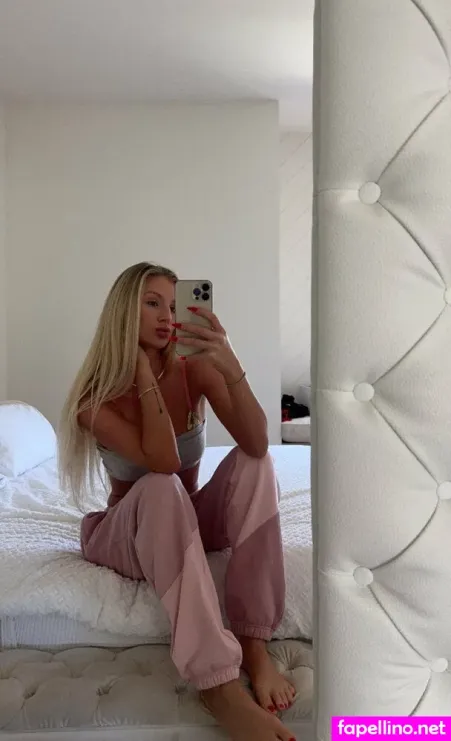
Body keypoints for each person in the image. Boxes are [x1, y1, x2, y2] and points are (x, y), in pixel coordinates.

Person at [59, 262, 296, 741]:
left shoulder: (195, 368)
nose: (167, 316)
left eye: (174, 305)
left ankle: (253, 644)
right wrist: (143, 374)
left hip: (185, 519)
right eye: (152, 304)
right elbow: (164, 462)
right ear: (124, 312)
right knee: (159, 485)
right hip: (126, 535)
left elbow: (256, 441)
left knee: (255, 465)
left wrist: (229, 362)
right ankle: (218, 684)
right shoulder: (93, 399)